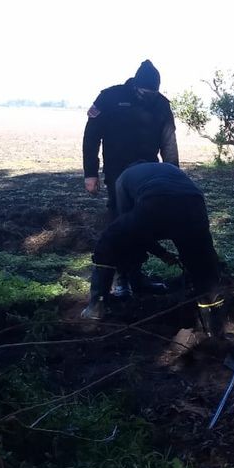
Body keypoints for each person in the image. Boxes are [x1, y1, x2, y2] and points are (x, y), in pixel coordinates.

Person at [81, 161, 223, 336]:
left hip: (156, 202)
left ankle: (97, 305)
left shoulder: (124, 178)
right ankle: (214, 326)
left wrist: (158, 252)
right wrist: (163, 253)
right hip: (194, 204)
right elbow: (177, 219)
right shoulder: (169, 169)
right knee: (203, 265)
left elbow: (131, 233)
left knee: (108, 242)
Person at [82, 59, 179, 296]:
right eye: (146, 93)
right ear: (136, 86)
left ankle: (137, 276)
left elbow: (169, 141)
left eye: (154, 93)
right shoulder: (109, 98)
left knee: (144, 222)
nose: (150, 97)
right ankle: (121, 278)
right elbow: (91, 136)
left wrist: (173, 173)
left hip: (149, 175)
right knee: (121, 222)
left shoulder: (161, 105)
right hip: (118, 174)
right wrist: (90, 173)